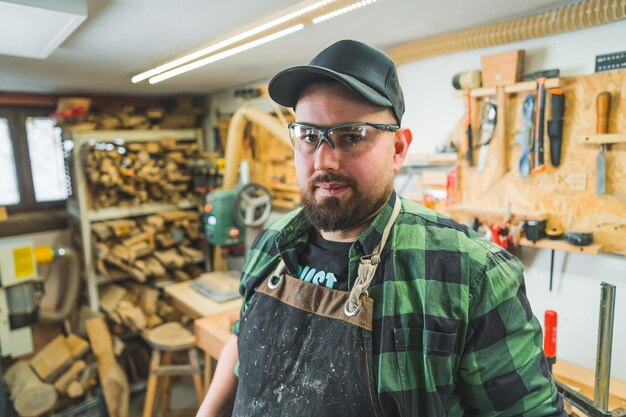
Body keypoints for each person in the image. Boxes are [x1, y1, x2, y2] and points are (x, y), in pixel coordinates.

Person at [197, 39, 566, 417]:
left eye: (352, 136)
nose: (324, 160)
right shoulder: (270, 244)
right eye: (309, 136)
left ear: (398, 150)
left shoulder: (468, 274)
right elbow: (241, 345)